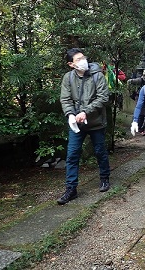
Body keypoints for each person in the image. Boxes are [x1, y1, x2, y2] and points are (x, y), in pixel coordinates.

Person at [58, 48, 111, 205]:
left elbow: (103, 98)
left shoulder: (97, 76)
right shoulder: (68, 78)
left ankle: (104, 178)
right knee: (72, 154)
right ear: (71, 64)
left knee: (100, 151)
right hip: (77, 125)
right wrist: (70, 115)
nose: (83, 60)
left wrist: (85, 112)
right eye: (78, 59)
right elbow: (65, 99)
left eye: (83, 57)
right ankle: (71, 188)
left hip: (96, 123)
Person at [127, 70, 145, 135]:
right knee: (141, 113)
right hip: (139, 97)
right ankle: (140, 129)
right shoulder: (139, 80)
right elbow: (129, 82)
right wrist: (130, 93)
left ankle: (143, 128)